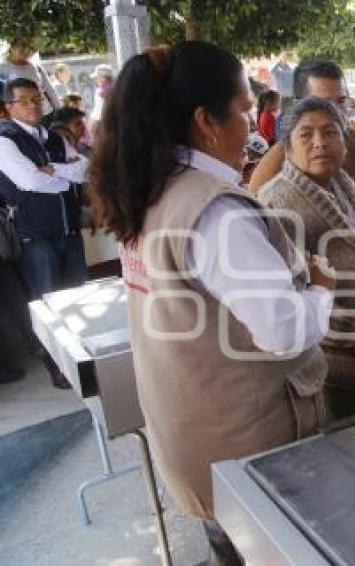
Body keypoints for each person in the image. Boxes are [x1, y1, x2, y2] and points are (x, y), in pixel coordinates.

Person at [87, 42, 336, 565]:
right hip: (245, 441)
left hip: (192, 433)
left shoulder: (147, 188)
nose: (252, 126)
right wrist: (320, 290)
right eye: (246, 110)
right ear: (206, 120)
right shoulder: (217, 212)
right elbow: (283, 331)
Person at [257, 96, 355, 421]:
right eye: (306, 135)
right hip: (332, 365)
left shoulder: (344, 184)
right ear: (287, 148)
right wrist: (351, 330)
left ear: (344, 141)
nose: (320, 143)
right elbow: (282, 299)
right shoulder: (276, 203)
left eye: (330, 132)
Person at [0, 78, 89, 389]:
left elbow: (85, 170)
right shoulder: (5, 139)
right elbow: (29, 181)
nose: (33, 105)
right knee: (47, 303)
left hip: (68, 229)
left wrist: (56, 170)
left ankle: (84, 364)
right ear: (8, 107)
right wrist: (65, 176)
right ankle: (57, 367)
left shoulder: (53, 137)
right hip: (35, 235)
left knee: (79, 297)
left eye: (37, 99)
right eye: (24, 100)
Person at [248, 59, 355, 209]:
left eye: (341, 101)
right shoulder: (271, 170)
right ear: (299, 105)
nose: (336, 112)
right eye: (323, 104)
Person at [0, 38, 61, 114]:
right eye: (22, 46)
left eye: (31, 48)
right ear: (12, 46)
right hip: (24, 116)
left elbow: (50, 90)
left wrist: (59, 111)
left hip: (47, 113)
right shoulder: (2, 68)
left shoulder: (36, 67)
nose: (27, 51)